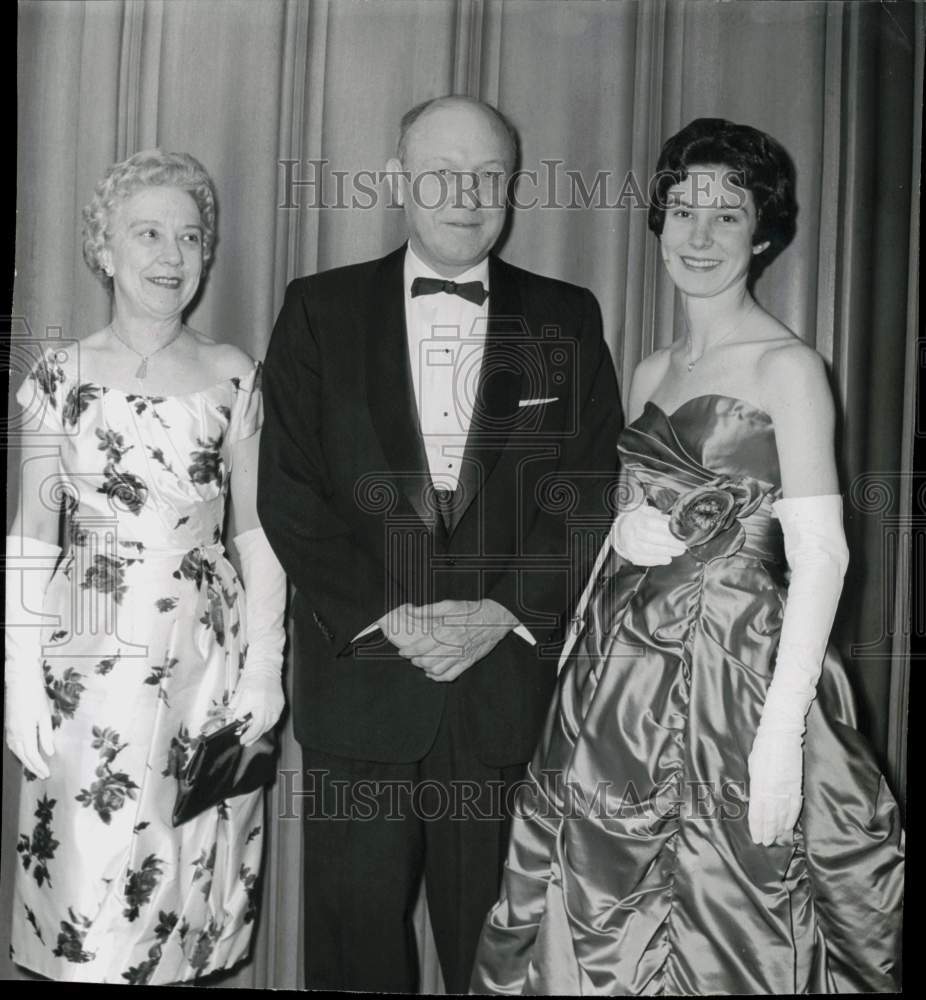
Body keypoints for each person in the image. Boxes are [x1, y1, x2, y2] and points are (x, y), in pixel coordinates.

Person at [470, 118, 904, 994]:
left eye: (727, 216)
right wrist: (600, 590)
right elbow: (630, 519)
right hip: (624, 667)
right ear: (659, 223)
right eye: (682, 211)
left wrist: (781, 736)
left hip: (739, 671)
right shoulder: (649, 370)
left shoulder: (790, 368)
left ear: (766, 233)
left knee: (730, 901)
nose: (698, 237)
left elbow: (821, 557)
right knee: (597, 894)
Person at [257, 95, 621, 992]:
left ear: (512, 187)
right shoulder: (318, 310)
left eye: (487, 175)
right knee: (353, 956)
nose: (465, 194)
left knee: (501, 957)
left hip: (504, 695)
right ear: (396, 180)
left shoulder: (566, 316)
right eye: (441, 173)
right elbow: (289, 493)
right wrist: (391, 617)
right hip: (363, 685)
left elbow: (592, 490)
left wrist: (504, 610)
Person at [4, 150, 286, 984]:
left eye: (189, 237)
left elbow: (257, 530)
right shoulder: (62, 373)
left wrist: (266, 666)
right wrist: (19, 674)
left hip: (207, 656)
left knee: (186, 883)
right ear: (105, 248)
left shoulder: (235, 372)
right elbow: (31, 530)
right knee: (89, 889)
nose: (171, 256)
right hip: (85, 656)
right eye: (148, 233)